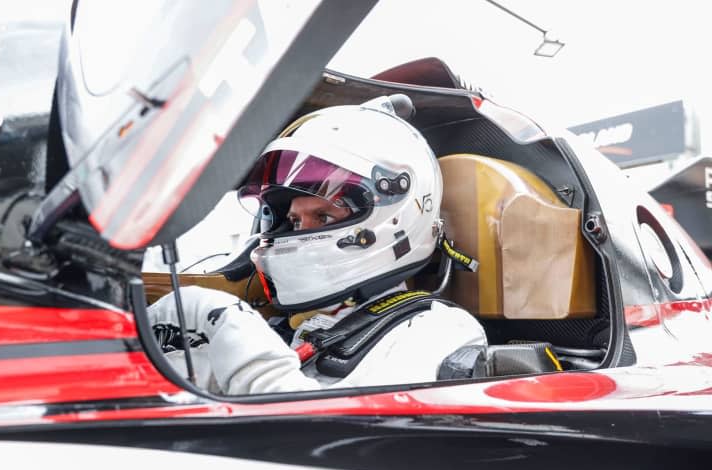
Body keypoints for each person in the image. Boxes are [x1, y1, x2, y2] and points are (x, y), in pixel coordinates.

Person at [148, 95, 487, 395]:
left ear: (397, 217)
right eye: (294, 221)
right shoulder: (292, 326)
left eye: (323, 217)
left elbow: (333, 434)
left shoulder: (439, 329)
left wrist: (216, 318)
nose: (299, 233)